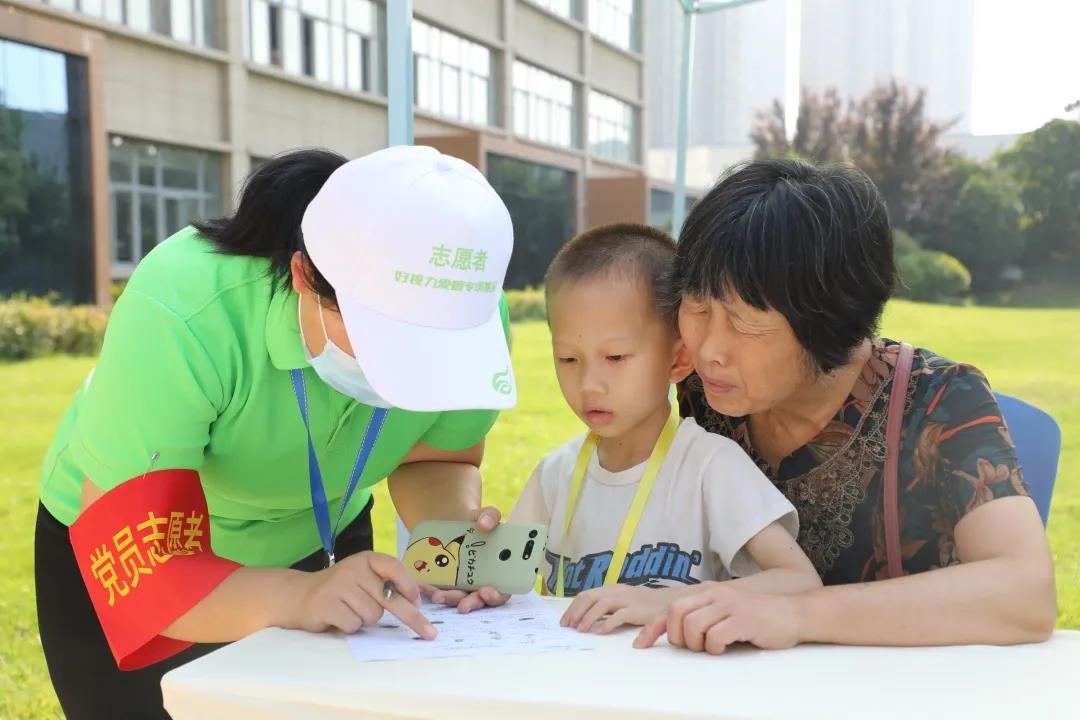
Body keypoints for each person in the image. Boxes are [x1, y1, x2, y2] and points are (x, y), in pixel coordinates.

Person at [35, 145, 518, 719]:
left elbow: (436, 458)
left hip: (325, 535)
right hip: (143, 549)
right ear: (304, 276)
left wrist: (452, 548)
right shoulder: (187, 304)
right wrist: (298, 594)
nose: (407, 376)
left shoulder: (473, 316)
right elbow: (147, 564)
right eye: (386, 341)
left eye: (434, 351)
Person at [634, 158, 1057, 655]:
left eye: (744, 324)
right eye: (698, 308)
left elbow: (1026, 592)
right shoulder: (702, 393)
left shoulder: (942, 401)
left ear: (827, 320)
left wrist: (795, 613)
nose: (708, 349)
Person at [428, 224, 821, 630]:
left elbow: (798, 582)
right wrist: (479, 581)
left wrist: (666, 603)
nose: (589, 384)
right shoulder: (554, 475)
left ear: (677, 360)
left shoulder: (710, 467)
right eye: (568, 359)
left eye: (615, 358)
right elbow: (503, 584)